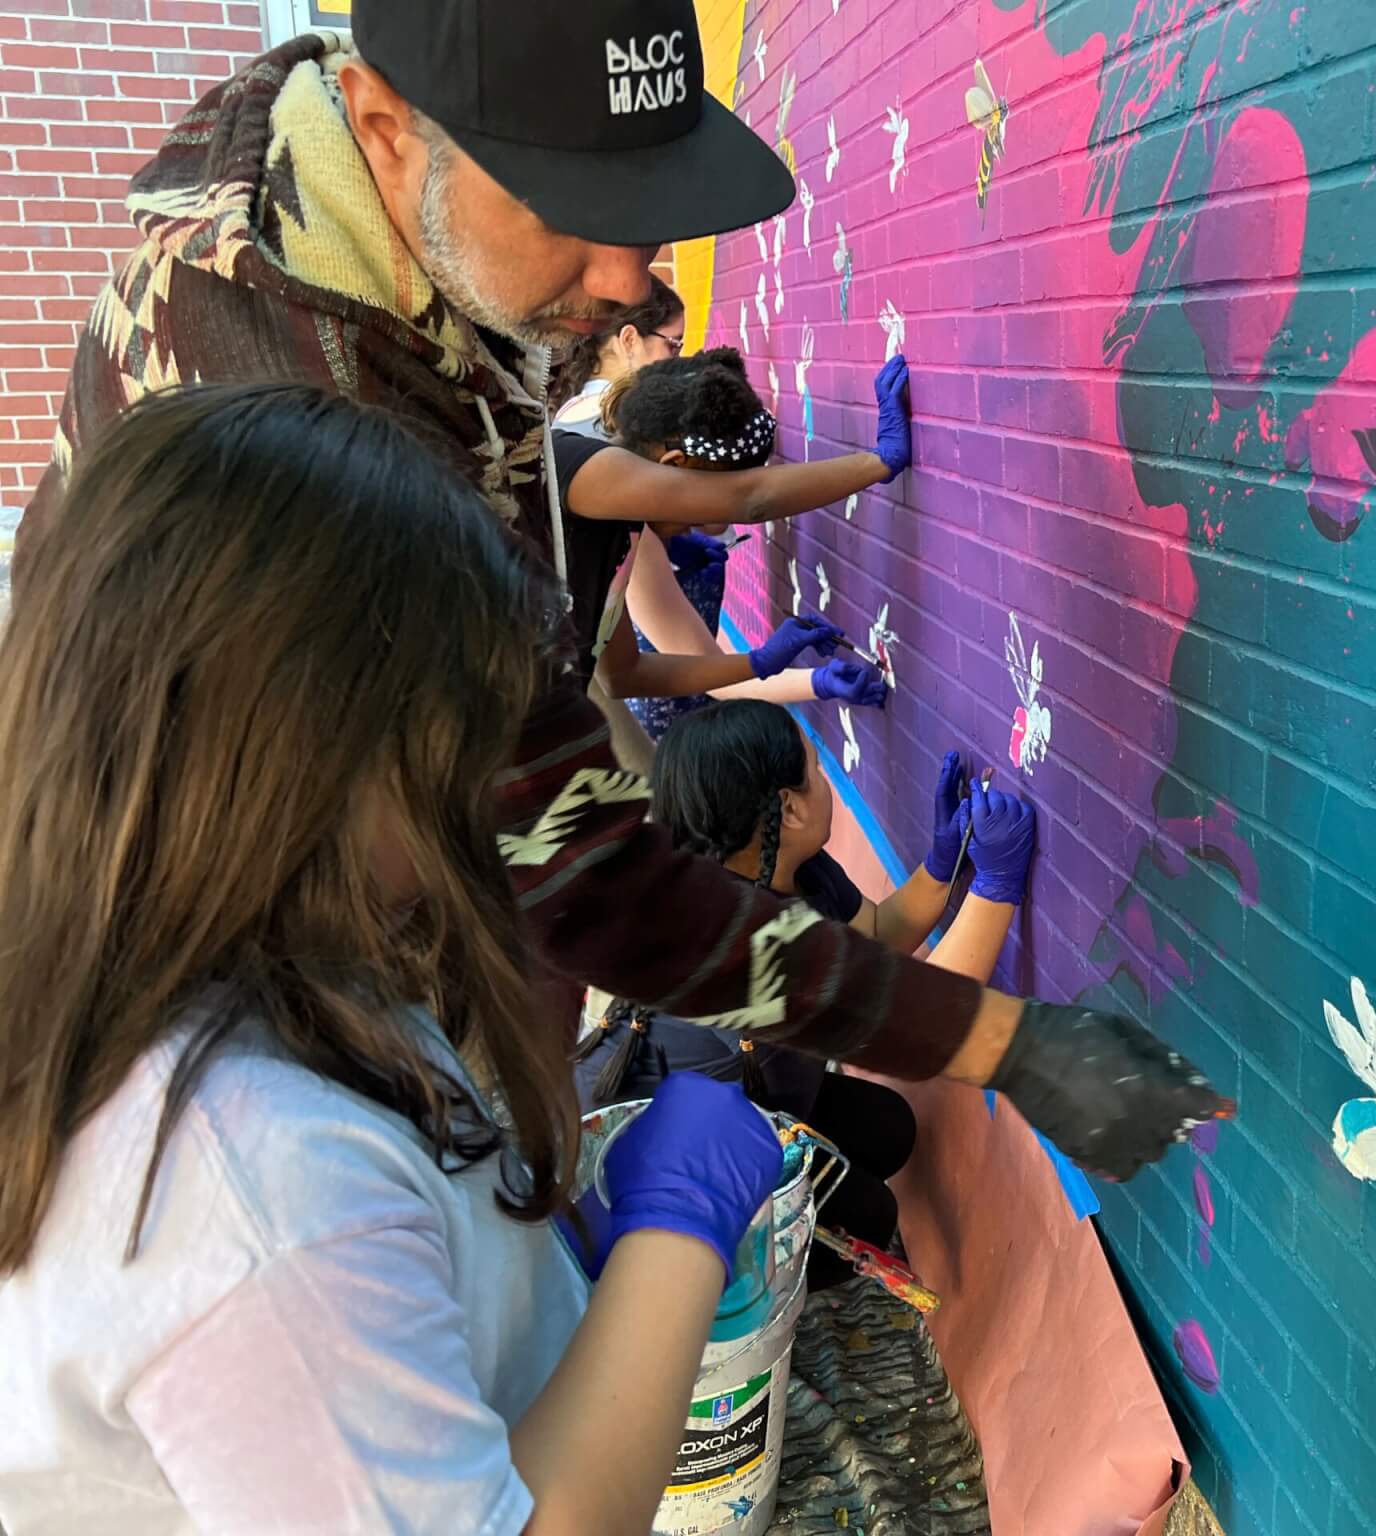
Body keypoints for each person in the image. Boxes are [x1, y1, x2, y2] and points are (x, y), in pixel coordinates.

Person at [17, 0, 1226, 1181]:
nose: (630, 281)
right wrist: (1007, 1046)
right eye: (579, 215)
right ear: (384, 128)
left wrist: (769, 670)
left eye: (645, 213)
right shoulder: (309, 425)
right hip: (258, 1037)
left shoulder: (413, 203)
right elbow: (579, 869)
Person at [0, 383, 788, 1534]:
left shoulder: (207, 965)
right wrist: (673, 1242)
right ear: (316, 750)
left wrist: (513, 1259)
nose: (485, 784)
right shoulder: (245, 1198)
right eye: (464, 730)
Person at [579, 705, 1035, 1287]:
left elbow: (877, 935)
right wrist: (997, 886)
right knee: (869, 1216)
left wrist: (942, 865)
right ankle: (753, 1293)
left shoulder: (781, 871)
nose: (829, 787)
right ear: (788, 808)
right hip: (653, 1215)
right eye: (817, 771)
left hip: (711, 1126)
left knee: (886, 1126)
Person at [552, 349, 896, 737]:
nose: (690, 530)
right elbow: (751, 500)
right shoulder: (578, 465)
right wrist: (880, 462)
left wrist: (759, 661)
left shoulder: (620, 534)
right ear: (675, 469)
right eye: (700, 511)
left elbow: (622, 675)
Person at [548, 273, 686, 436]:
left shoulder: (567, 411)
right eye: (673, 345)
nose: (678, 360)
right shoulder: (633, 424)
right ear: (629, 340)